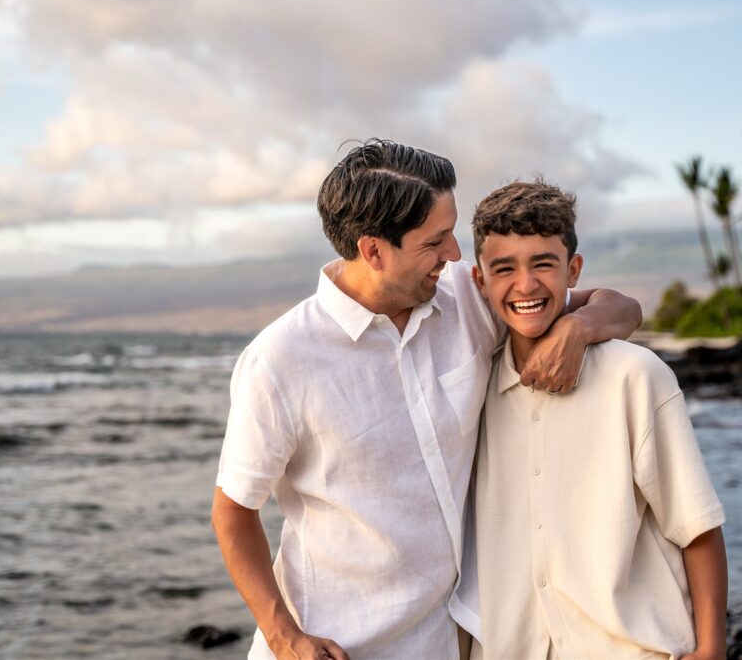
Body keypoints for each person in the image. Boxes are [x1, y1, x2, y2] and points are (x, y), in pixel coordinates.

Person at [211, 141, 642, 660]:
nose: (456, 255)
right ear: (373, 251)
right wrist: (285, 638)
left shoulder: (465, 297)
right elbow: (234, 512)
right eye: (436, 241)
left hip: (448, 637)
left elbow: (620, 306)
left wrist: (578, 328)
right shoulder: (280, 360)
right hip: (338, 645)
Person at [466, 179, 727, 660]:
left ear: (573, 270)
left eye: (543, 264)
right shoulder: (472, 392)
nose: (525, 285)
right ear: (480, 281)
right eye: (504, 269)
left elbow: (696, 525)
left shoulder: (635, 377)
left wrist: (712, 649)